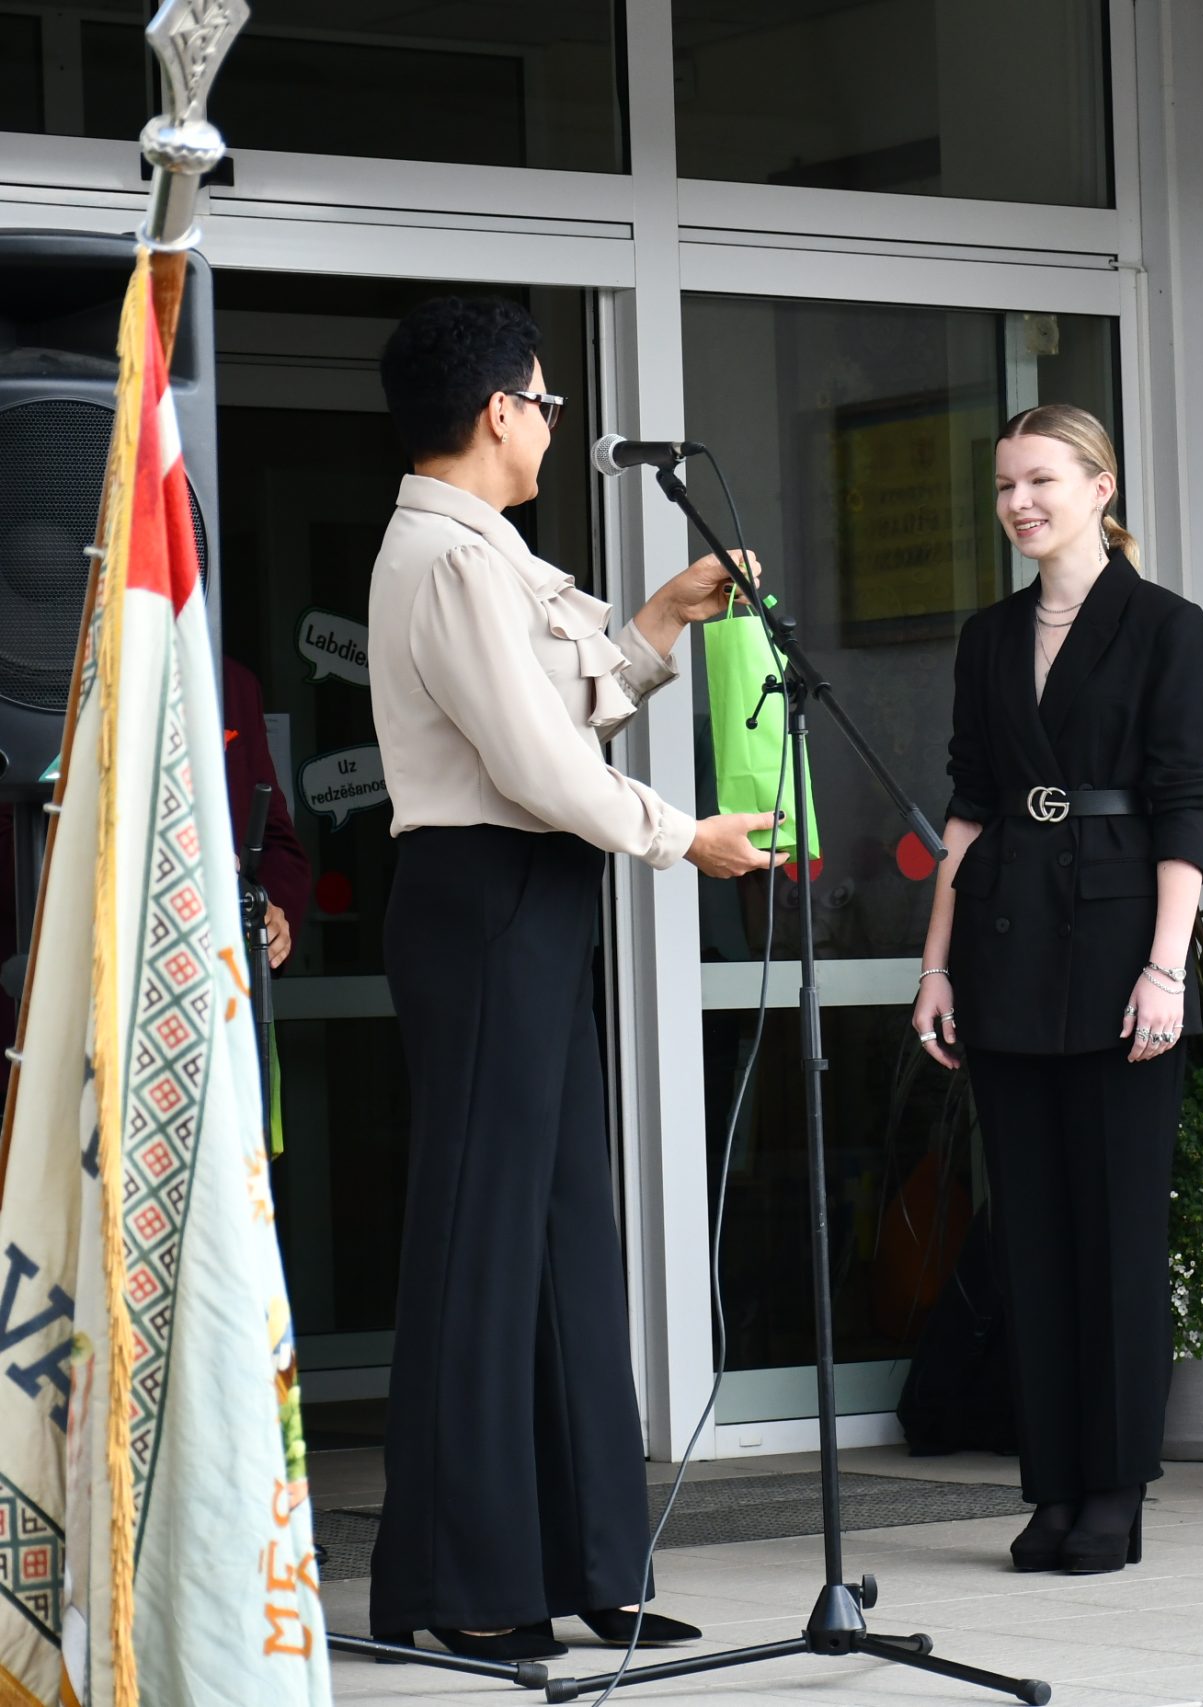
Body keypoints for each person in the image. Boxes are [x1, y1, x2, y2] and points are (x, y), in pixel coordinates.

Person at [365, 296, 779, 1662]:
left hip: (524, 896)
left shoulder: (486, 549)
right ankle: (468, 1582)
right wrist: (681, 836)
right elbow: (538, 763)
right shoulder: (446, 557)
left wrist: (658, 618)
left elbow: (567, 701)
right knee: (486, 1244)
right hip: (481, 890)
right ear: (499, 412)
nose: (550, 422)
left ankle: (593, 1562)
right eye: (543, 402)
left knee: (563, 1239)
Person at [911, 403, 1203, 1575]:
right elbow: (967, 807)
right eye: (1005, 485)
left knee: (1116, 1238)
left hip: (1117, 945)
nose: (1019, 503)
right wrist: (935, 965)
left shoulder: (1165, 626)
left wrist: (1166, 968)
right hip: (1004, 941)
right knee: (1032, 1241)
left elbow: (1183, 807)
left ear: (1101, 486)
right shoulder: (988, 636)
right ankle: (1050, 1488)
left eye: (1041, 480)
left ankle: (1114, 1490)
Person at [221, 657, 306, 969]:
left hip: (223, 958)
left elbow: (273, 834)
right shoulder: (93, 671)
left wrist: (268, 917)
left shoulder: (235, 684)